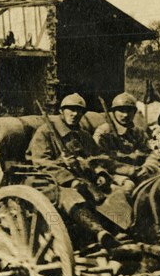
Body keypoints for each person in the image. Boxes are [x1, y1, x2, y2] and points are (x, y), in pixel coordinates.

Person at [25, 93, 121, 249]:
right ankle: (99, 233)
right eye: (70, 109)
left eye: (78, 111)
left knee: (113, 193)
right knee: (71, 196)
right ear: (62, 111)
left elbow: (96, 157)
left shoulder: (84, 136)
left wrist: (100, 172)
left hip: (83, 180)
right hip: (47, 182)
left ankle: (121, 230)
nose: (74, 114)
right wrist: (69, 178)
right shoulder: (45, 132)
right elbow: (41, 162)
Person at [94, 92, 157, 181]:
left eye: (129, 111)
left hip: (139, 171)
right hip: (113, 174)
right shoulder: (104, 132)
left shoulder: (138, 132)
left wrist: (148, 167)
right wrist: (129, 171)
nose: (125, 115)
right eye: (121, 110)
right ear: (114, 112)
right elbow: (101, 159)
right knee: (128, 187)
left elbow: (149, 153)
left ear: (134, 112)